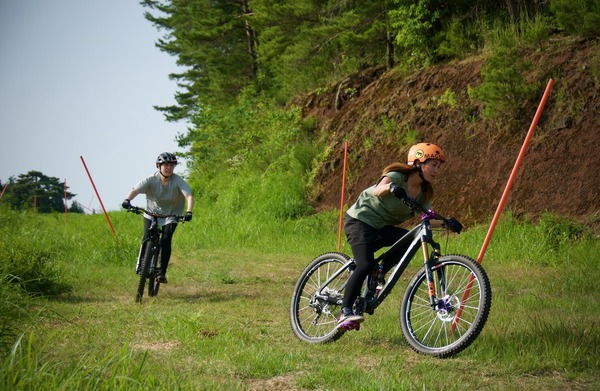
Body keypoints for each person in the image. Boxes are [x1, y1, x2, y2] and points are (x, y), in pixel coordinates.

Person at [338, 142, 461, 329]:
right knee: (363, 264)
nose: (436, 170)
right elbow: (378, 191)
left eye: (439, 166)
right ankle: (344, 311)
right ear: (418, 163)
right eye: (433, 165)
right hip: (361, 221)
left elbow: (427, 216)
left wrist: (447, 222)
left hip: (382, 227)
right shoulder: (397, 176)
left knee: (411, 239)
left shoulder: (423, 192)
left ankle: (381, 270)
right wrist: (391, 188)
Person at [122, 152, 194, 283]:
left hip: (171, 214)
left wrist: (189, 211)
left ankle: (162, 272)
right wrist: (127, 200)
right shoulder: (151, 179)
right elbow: (135, 190)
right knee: (146, 237)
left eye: (172, 165)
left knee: (166, 240)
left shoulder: (177, 180)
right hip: (151, 212)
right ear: (158, 166)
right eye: (165, 165)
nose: (169, 168)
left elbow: (188, 195)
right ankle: (141, 265)